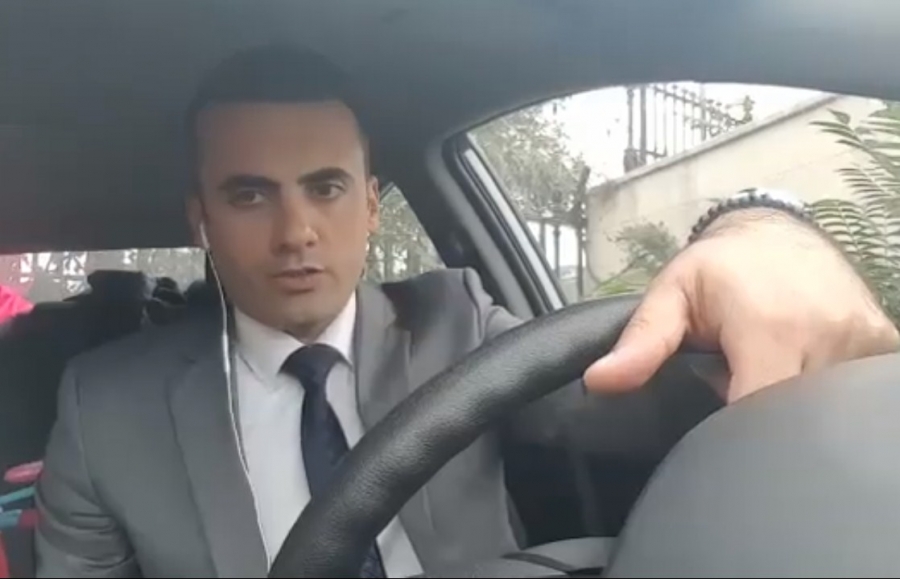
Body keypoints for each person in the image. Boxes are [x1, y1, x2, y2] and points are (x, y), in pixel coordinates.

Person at [34, 46, 899, 578]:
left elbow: (650, 394)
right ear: (201, 220)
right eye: (250, 194)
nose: (296, 232)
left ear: (371, 206)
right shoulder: (104, 409)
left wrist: (757, 227)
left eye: (326, 187)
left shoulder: (454, 320)